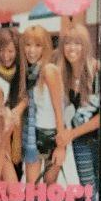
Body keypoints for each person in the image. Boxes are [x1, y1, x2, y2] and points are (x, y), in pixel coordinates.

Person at [56, 23, 100, 198]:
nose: (71, 48)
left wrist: (72, 134)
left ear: (85, 45)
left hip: (99, 140)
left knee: (99, 191)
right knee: (88, 192)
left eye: (77, 43)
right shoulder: (62, 75)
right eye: (67, 43)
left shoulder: (96, 70)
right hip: (79, 142)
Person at [21, 25, 67, 184]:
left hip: (53, 136)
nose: (31, 50)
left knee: (50, 187)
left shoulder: (49, 70)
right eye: (28, 45)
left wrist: (61, 147)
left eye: (37, 45)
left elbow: (59, 111)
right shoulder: (28, 73)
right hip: (33, 135)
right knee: (31, 188)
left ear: (45, 47)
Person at [0, 26, 28, 173]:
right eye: (2, 51)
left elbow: (26, 95)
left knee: (15, 168)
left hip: (17, 125)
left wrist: (18, 110)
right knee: (0, 169)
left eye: (10, 51)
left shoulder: (22, 67)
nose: (6, 56)